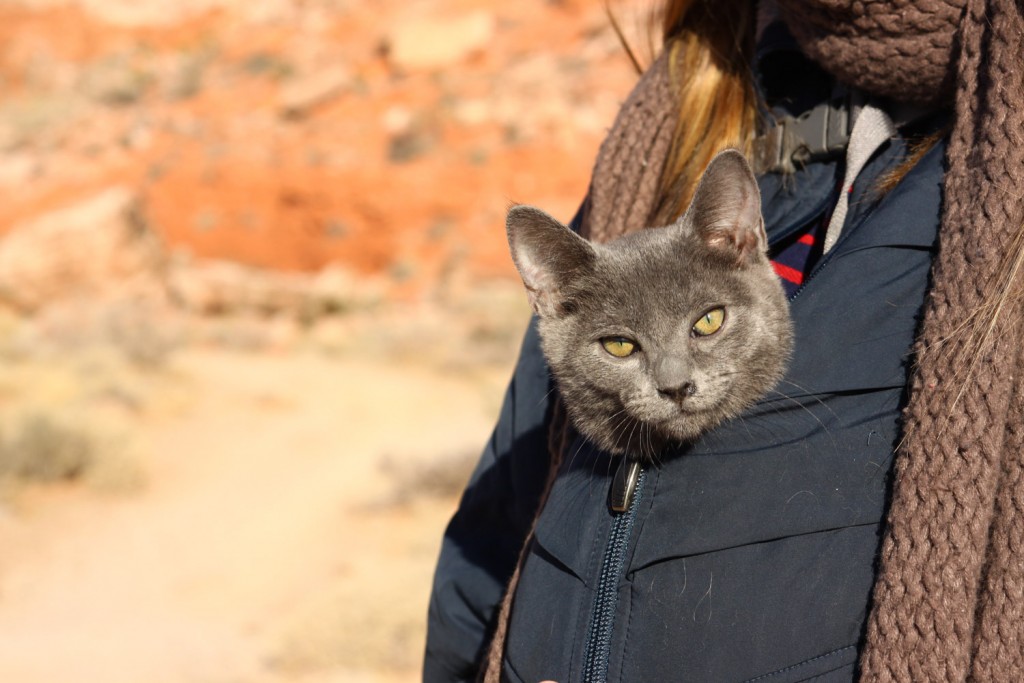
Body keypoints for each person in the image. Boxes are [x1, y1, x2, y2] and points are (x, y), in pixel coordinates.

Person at [424, 0, 1024, 680]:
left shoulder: (990, 160)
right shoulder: (671, 119)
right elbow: (494, 538)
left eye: (706, 324)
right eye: (624, 348)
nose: (674, 379)